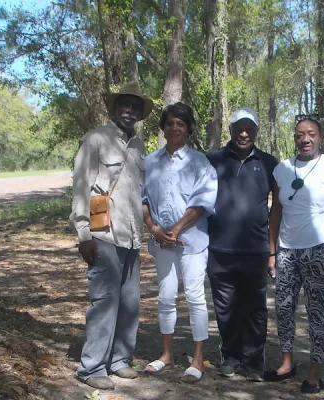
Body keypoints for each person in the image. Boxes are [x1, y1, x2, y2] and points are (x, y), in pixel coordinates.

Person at [68, 82, 153, 390]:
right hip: (102, 234)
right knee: (105, 300)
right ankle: (91, 367)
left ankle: (119, 360)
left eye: (134, 106)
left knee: (129, 301)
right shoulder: (95, 140)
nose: (129, 110)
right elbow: (81, 188)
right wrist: (83, 233)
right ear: (115, 108)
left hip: (131, 236)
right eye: (124, 105)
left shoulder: (139, 146)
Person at [266, 114, 324, 394]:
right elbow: (275, 212)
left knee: (317, 311)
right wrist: (272, 251)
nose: (305, 139)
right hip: (288, 250)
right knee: (284, 308)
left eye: (311, 133)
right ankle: (287, 362)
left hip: (319, 249)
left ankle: (315, 370)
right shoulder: (282, 169)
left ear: (320, 137)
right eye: (300, 134)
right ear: (294, 137)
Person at [141, 102, 218, 383]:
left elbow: (202, 202)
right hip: (162, 242)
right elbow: (143, 200)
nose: (175, 128)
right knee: (165, 296)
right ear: (163, 128)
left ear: (189, 130)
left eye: (181, 124)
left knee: (195, 296)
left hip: (192, 242)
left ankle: (198, 359)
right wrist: (153, 228)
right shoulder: (150, 162)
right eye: (170, 123)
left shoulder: (200, 162)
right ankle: (166, 354)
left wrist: (174, 230)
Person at [205, 108, 279, 382]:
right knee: (225, 307)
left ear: (256, 132)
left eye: (250, 128)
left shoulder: (270, 163)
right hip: (219, 250)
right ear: (231, 129)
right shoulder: (212, 160)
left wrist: (273, 250)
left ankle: (253, 362)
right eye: (239, 127)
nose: (244, 133)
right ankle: (232, 357)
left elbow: (278, 210)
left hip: (256, 250)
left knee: (255, 308)